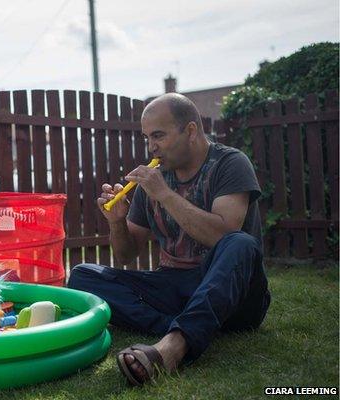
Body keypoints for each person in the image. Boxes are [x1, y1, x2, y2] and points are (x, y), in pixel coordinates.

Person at [67, 93, 271, 386]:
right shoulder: (155, 177)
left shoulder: (230, 163)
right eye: (147, 137)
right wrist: (117, 222)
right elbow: (127, 255)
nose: (152, 147)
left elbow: (222, 235)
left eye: (159, 136)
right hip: (175, 286)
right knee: (82, 276)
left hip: (234, 293)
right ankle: (186, 326)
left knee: (240, 243)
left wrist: (164, 194)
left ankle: (173, 346)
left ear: (190, 130)